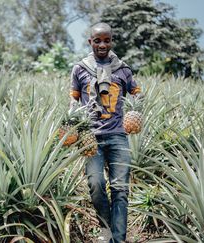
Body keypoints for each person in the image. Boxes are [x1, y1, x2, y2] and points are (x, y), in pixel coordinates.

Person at [69, 22, 141, 243]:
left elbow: (137, 93)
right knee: (96, 184)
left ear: (112, 41)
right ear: (90, 41)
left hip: (118, 136)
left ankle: (117, 240)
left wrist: (135, 110)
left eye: (107, 40)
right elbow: (73, 98)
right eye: (97, 40)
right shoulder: (80, 69)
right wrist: (72, 118)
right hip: (91, 137)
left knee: (120, 190)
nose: (102, 44)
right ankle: (106, 229)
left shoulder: (123, 69)